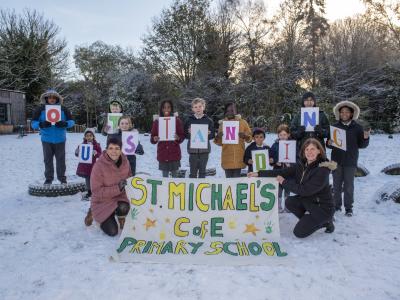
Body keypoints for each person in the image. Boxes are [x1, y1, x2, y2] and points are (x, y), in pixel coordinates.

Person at [248, 138, 336, 238]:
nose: (309, 152)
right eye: (307, 149)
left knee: (299, 233)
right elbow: (282, 172)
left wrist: (284, 182)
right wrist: (259, 173)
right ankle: (310, 220)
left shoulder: (322, 169)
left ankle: (325, 222)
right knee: (290, 202)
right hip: (309, 202)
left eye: (312, 149)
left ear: (319, 151)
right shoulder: (302, 165)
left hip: (323, 208)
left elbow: (305, 190)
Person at [326, 100, 370, 217]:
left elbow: (362, 145)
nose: (344, 114)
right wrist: (329, 142)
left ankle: (349, 208)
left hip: (350, 161)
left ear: (351, 113)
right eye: (342, 112)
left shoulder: (358, 128)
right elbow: (329, 144)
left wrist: (365, 138)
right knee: (336, 185)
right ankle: (337, 206)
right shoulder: (334, 127)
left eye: (347, 112)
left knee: (349, 186)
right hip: (336, 161)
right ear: (339, 114)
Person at [88, 137, 132, 236]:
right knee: (113, 232)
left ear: (121, 150)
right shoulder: (98, 166)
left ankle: (120, 217)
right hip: (102, 201)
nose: (114, 151)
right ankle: (93, 211)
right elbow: (96, 191)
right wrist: (117, 188)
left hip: (120, 197)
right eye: (111, 148)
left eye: (117, 148)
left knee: (124, 207)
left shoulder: (126, 162)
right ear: (106, 149)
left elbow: (129, 177)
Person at [31, 89, 75, 184]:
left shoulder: (63, 109)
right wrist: (41, 124)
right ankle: (48, 179)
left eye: (54, 97)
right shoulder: (40, 109)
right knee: (48, 160)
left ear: (57, 98)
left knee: (61, 160)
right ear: (46, 98)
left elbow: (72, 122)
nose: (52, 99)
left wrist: (65, 124)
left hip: (60, 139)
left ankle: (62, 179)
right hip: (46, 139)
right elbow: (33, 123)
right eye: (50, 97)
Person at [214, 103, 252, 178]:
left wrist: (244, 136)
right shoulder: (223, 124)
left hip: (238, 156)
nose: (230, 112)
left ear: (236, 111)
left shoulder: (243, 123)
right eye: (228, 111)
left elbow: (250, 138)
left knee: (236, 181)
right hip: (226, 157)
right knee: (229, 182)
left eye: (232, 110)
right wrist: (218, 137)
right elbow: (219, 143)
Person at [150, 100, 185, 177]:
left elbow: (182, 136)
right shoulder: (157, 121)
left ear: (171, 108)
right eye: (164, 107)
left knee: (175, 177)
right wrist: (154, 138)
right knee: (165, 178)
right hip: (163, 154)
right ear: (161, 109)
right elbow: (152, 137)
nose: (166, 109)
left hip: (174, 153)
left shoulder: (176, 120)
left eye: (168, 107)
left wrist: (178, 137)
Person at [184, 98, 215, 178]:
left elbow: (212, 136)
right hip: (192, 151)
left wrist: (209, 133)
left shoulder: (208, 120)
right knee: (193, 173)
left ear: (204, 107)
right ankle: (192, 190)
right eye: (196, 107)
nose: (198, 108)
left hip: (204, 150)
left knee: (202, 172)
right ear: (192, 109)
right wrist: (188, 132)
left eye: (200, 106)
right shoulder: (189, 120)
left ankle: (202, 190)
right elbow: (185, 135)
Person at [269, 124, 293, 212]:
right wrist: (274, 161)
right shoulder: (275, 145)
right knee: (279, 189)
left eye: (284, 135)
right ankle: (278, 206)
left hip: (288, 172)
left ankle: (287, 206)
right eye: (281, 135)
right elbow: (270, 157)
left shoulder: (292, 145)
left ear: (288, 135)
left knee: (287, 189)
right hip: (278, 170)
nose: (282, 137)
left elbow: (295, 157)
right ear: (278, 135)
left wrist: (290, 164)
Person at [74, 128, 102, 201]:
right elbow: (77, 154)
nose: (89, 137)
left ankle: (95, 190)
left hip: (93, 166)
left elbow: (100, 154)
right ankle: (89, 191)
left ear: (93, 136)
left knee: (94, 179)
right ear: (85, 137)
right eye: (87, 135)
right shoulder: (82, 145)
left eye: (90, 135)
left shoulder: (96, 145)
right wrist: (77, 152)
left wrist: (96, 153)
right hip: (86, 166)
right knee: (87, 179)